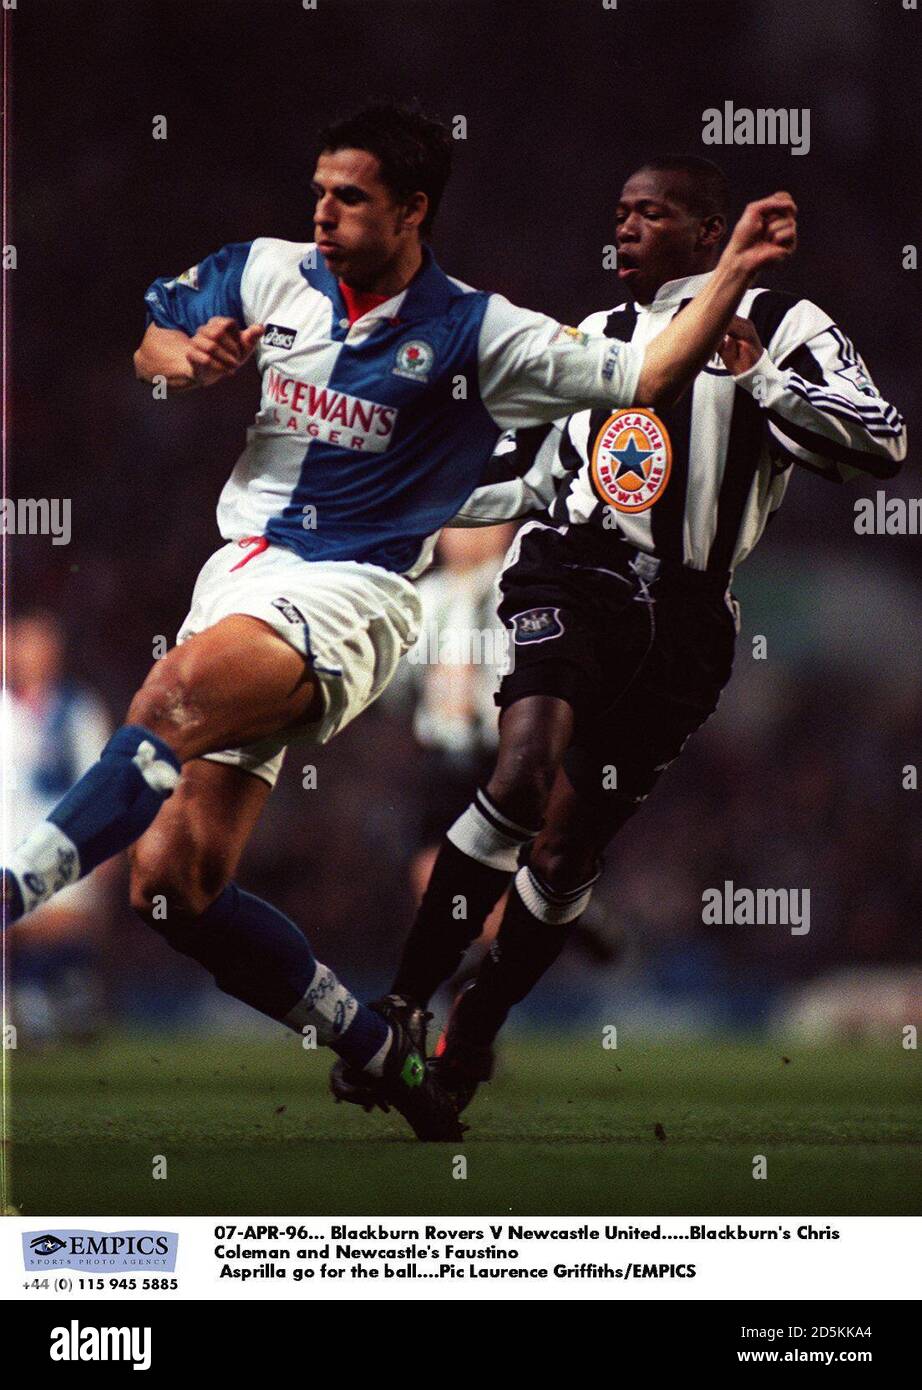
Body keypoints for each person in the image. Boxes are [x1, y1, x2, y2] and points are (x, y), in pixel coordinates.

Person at [1, 106, 797, 1141]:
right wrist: (182, 361)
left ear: (413, 210)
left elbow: (646, 377)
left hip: (351, 593)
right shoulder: (265, 271)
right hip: (236, 573)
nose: (322, 213)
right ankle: (377, 1050)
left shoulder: (480, 330)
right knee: (173, 889)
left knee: (171, 695)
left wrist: (730, 272)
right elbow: (151, 337)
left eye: (350, 197)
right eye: (319, 191)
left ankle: (12, 889)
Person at [355, 155, 905, 1120]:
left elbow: (880, 440)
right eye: (618, 213)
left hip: (691, 615)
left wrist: (764, 387)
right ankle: (400, 1006)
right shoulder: (594, 341)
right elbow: (518, 480)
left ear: (707, 232)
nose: (625, 228)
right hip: (577, 571)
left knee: (568, 853)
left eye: (651, 213)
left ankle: (472, 1031)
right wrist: (386, 512)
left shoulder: (783, 326)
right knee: (521, 771)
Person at [3, 613, 113, 1044]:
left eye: (38, 645)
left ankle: (68, 1002)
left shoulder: (78, 709)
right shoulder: (4, 709)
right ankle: (29, 1006)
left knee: (64, 926)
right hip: (7, 836)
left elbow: (99, 781)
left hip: (62, 840)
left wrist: (108, 849)